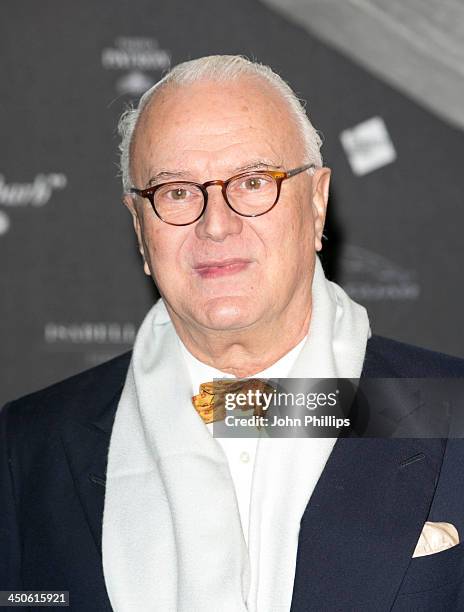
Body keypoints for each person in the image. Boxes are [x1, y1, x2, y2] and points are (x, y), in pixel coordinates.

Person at [1, 55, 464, 612]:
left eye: (252, 182)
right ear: (139, 230)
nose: (215, 224)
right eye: (175, 191)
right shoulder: (27, 448)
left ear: (316, 203)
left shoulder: (451, 411)